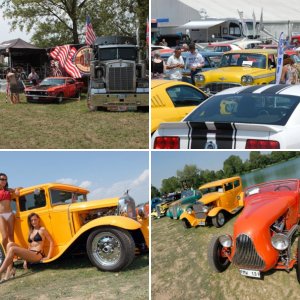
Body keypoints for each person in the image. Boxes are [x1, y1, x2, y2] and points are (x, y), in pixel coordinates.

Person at [0, 212, 54, 282]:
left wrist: (48, 256)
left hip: (37, 254)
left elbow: (51, 242)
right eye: (32, 220)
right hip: (30, 253)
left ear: (38, 220)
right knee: (9, 244)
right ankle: (9, 270)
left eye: (35, 219)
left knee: (12, 249)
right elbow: (29, 246)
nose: (33, 222)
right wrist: (25, 260)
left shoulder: (42, 229)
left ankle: (1, 272)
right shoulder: (31, 231)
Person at [0, 173, 20, 252]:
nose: (4, 181)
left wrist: (17, 190)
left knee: (11, 236)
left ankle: (13, 254)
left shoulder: (8, 189)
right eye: (2, 179)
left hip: (10, 214)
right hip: (1, 215)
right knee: (4, 237)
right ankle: (6, 253)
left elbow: (19, 188)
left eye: (5, 179)